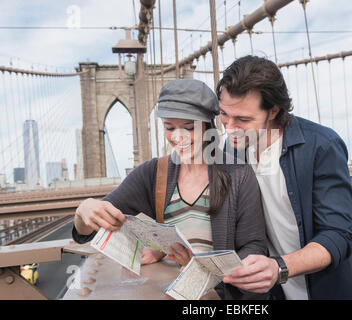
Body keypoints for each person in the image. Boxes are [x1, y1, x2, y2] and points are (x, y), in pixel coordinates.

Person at [72, 78, 268, 299]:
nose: (178, 137)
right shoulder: (153, 173)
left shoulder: (238, 174)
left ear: (207, 126)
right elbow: (86, 231)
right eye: (169, 127)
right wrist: (84, 210)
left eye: (188, 127)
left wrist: (202, 269)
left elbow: (254, 247)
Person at [217, 55, 352, 300]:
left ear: (273, 111)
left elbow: (338, 234)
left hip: (331, 290)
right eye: (224, 115)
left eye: (243, 119)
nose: (229, 127)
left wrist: (278, 267)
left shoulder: (322, 145)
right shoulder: (230, 149)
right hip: (273, 294)